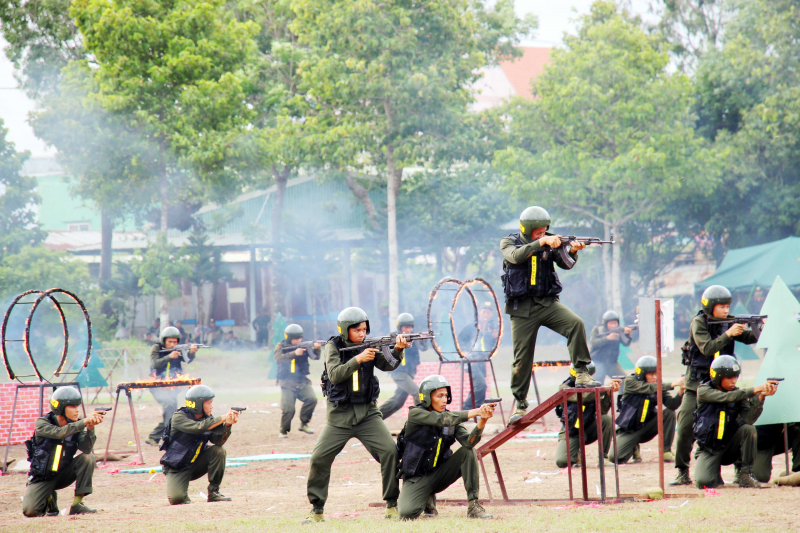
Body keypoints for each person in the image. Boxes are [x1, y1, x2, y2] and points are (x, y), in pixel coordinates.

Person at [304, 307, 409, 523]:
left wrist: (397, 349)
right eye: (357, 330)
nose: (362, 334)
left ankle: (391, 504)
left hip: (368, 414)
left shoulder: (370, 344)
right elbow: (334, 375)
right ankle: (317, 510)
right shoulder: (332, 346)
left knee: (390, 451)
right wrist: (358, 359)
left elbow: (387, 365)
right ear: (345, 330)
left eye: (364, 330)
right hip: (339, 418)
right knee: (319, 458)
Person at [501, 206, 597, 425]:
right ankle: (520, 404)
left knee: (576, 324)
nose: (542, 234)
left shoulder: (551, 240)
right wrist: (540, 243)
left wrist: (573, 251)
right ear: (527, 229)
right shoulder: (509, 242)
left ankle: (581, 372)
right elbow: (515, 257)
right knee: (521, 359)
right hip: (522, 309)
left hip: (548, 304)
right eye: (538, 232)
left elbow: (565, 264)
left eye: (545, 231)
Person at [672, 285, 760, 486]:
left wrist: (758, 326)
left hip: (723, 386)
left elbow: (751, 338)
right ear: (710, 306)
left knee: (738, 423)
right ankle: (682, 470)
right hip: (697, 385)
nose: (726, 311)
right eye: (721, 306)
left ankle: (742, 471)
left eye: (728, 306)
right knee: (685, 425)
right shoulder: (699, 322)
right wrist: (729, 333)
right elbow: (706, 348)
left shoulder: (729, 322)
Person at [397, 375, 494, 520]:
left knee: (468, 451)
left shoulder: (451, 418)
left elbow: (469, 442)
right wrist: (478, 411)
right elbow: (441, 419)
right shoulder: (415, 414)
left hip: (439, 474)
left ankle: (473, 505)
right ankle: (426, 499)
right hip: (416, 478)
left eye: (446, 396)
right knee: (407, 514)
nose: (444, 400)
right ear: (428, 397)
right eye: (439, 396)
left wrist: (483, 420)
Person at [693, 355, 778, 489]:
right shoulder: (703, 391)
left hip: (730, 447)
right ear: (718, 377)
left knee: (749, 429)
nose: (734, 380)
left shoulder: (738, 394)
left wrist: (761, 397)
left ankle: (745, 475)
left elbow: (749, 418)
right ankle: (714, 473)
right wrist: (756, 389)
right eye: (729, 377)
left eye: (735, 376)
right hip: (710, 448)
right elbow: (726, 397)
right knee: (704, 482)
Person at [22, 386, 102, 516]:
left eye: (77, 406)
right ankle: (49, 498)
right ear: (59, 407)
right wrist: (84, 422)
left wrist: (90, 428)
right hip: (43, 477)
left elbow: (86, 448)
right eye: (72, 406)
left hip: (64, 473)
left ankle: (78, 504)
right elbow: (60, 433)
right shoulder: (43, 423)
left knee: (88, 457)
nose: (77, 410)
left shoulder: (77, 424)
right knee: (31, 511)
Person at [160, 384, 239, 504]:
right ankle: (181, 491)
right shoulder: (179, 417)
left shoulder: (207, 419)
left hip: (196, 463)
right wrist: (223, 417)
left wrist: (228, 425)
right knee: (177, 499)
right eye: (209, 403)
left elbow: (218, 441)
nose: (212, 406)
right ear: (197, 404)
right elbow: (199, 427)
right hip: (178, 466)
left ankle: (214, 492)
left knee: (219, 450)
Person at [609, 356, 684, 464]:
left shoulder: (657, 384)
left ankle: (666, 451)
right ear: (642, 374)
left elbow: (671, 405)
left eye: (656, 373)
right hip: (630, 430)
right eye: (651, 374)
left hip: (647, 427)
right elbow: (649, 388)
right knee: (615, 458)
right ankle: (633, 447)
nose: (654, 377)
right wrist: (673, 384)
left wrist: (681, 391)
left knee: (669, 413)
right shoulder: (630, 381)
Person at [555, 364, 619, 468]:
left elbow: (601, 411)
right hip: (571, 431)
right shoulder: (565, 388)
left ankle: (603, 457)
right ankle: (575, 454)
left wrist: (607, 393)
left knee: (606, 420)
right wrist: (603, 389)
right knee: (562, 461)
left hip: (588, 427)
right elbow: (582, 396)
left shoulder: (594, 387)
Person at [145, 327, 199, 446]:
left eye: (175, 342)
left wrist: (192, 352)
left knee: (173, 414)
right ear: (163, 341)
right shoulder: (157, 348)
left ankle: (154, 437)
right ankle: (169, 438)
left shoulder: (178, 349)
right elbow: (154, 364)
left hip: (173, 386)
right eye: (169, 342)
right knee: (169, 406)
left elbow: (187, 360)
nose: (172, 344)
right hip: (157, 385)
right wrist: (169, 356)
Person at [379, 313, 429, 419]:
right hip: (398, 373)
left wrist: (424, 339)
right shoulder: (393, 338)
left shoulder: (413, 338)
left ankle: (375, 418)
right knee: (417, 393)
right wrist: (399, 346)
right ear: (400, 327)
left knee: (398, 401)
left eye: (410, 327)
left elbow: (423, 348)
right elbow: (387, 352)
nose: (409, 329)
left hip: (409, 373)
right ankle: (423, 422)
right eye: (406, 327)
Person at [274, 324, 320, 437]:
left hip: (302, 380)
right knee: (289, 409)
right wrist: (294, 353)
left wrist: (317, 349)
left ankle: (304, 423)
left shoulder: (305, 346)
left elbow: (315, 357)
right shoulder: (281, 345)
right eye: (296, 338)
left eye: (300, 338)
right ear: (289, 338)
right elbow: (278, 358)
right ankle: (283, 431)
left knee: (312, 399)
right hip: (287, 381)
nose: (299, 340)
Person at [458, 303, 499, 410]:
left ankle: (470, 410)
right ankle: (469, 409)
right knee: (481, 385)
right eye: (483, 311)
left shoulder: (492, 328)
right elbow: (460, 339)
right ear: (479, 313)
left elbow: (493, 345)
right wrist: (465, 352)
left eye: (488, 312)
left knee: (477, 387)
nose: (485, 314)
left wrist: (495, 338)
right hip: (471, 360)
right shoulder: (472, 325)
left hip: (482, 360)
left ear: (491, 314)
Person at [590, 310, 633, 383]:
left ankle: (622, 394)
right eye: (611, 323)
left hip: (612, 362)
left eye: (615, 323)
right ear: (605, 323)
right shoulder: (598, 330)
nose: (613, 325)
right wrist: (607, 338)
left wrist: (627, 334)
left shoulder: (619, 331)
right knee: (596, 383)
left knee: (624, 381)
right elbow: (593, 342)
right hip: (598, 362)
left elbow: (626, 343)